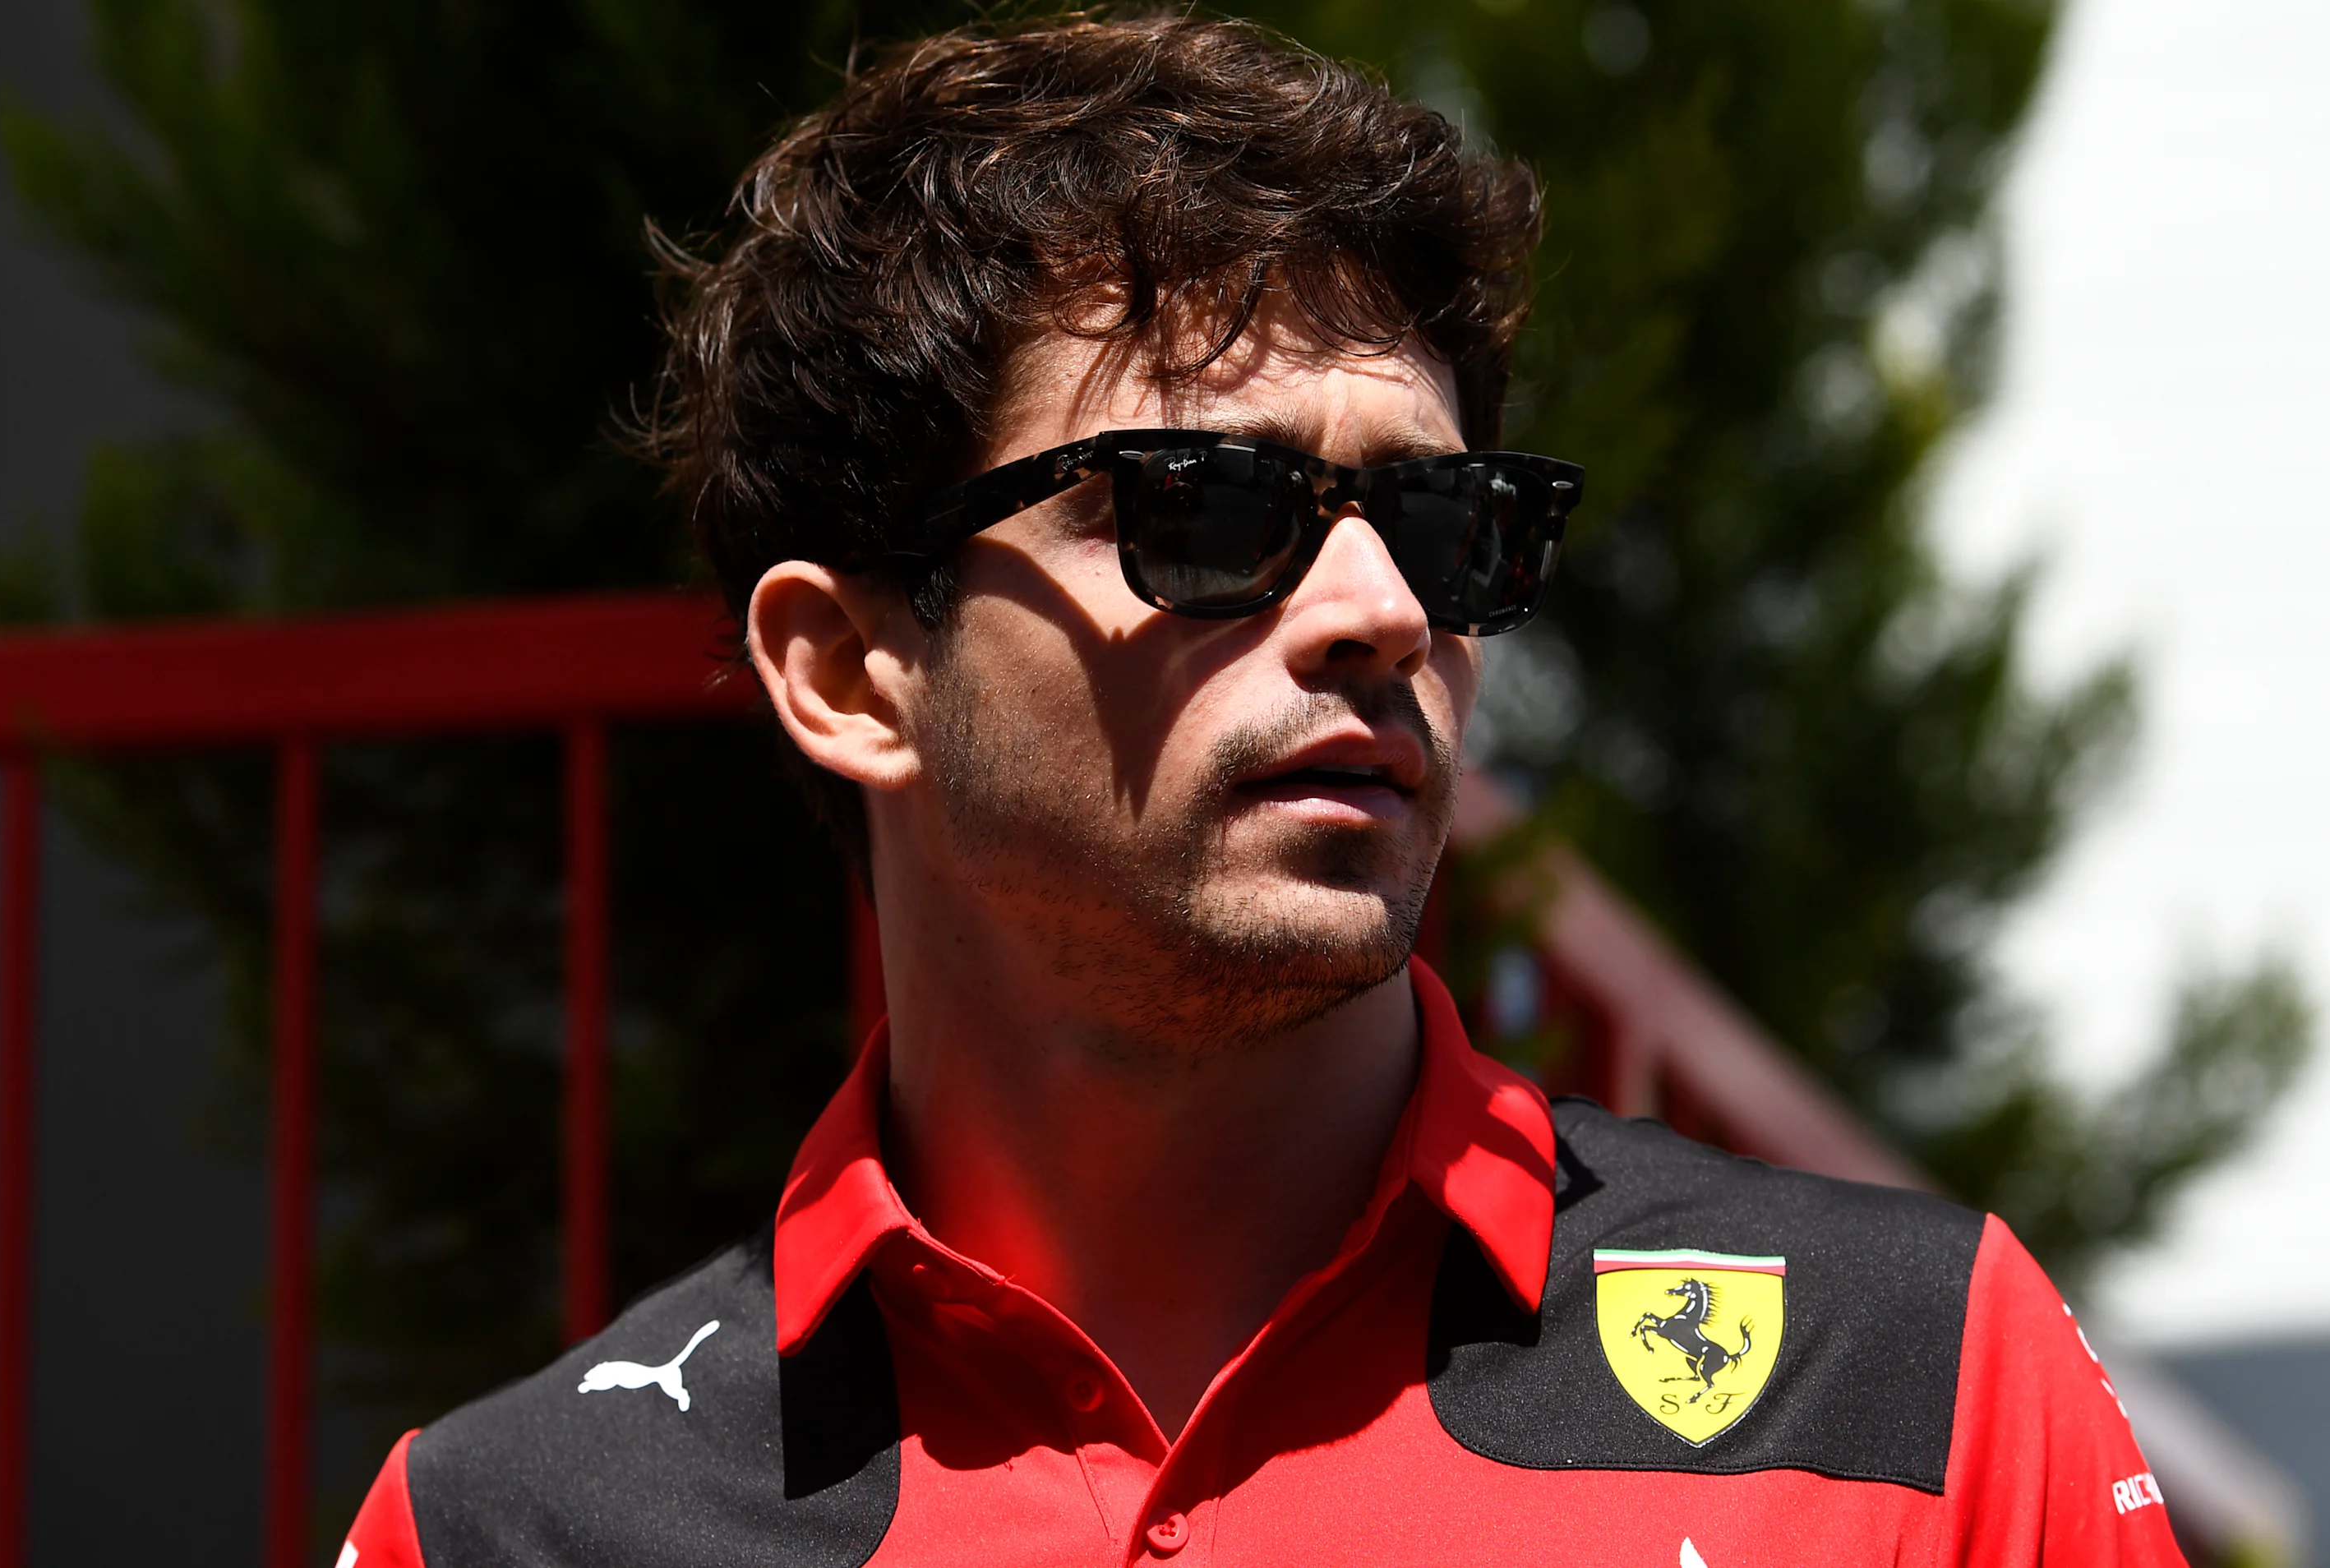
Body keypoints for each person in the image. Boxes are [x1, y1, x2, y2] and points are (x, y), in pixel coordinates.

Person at [337, 15, 2183, 1566]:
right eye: (1205, 509)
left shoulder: (1917, 1394)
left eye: (1445, 523)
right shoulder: (514, 1529)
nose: (1382, 610)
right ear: (847, 671)